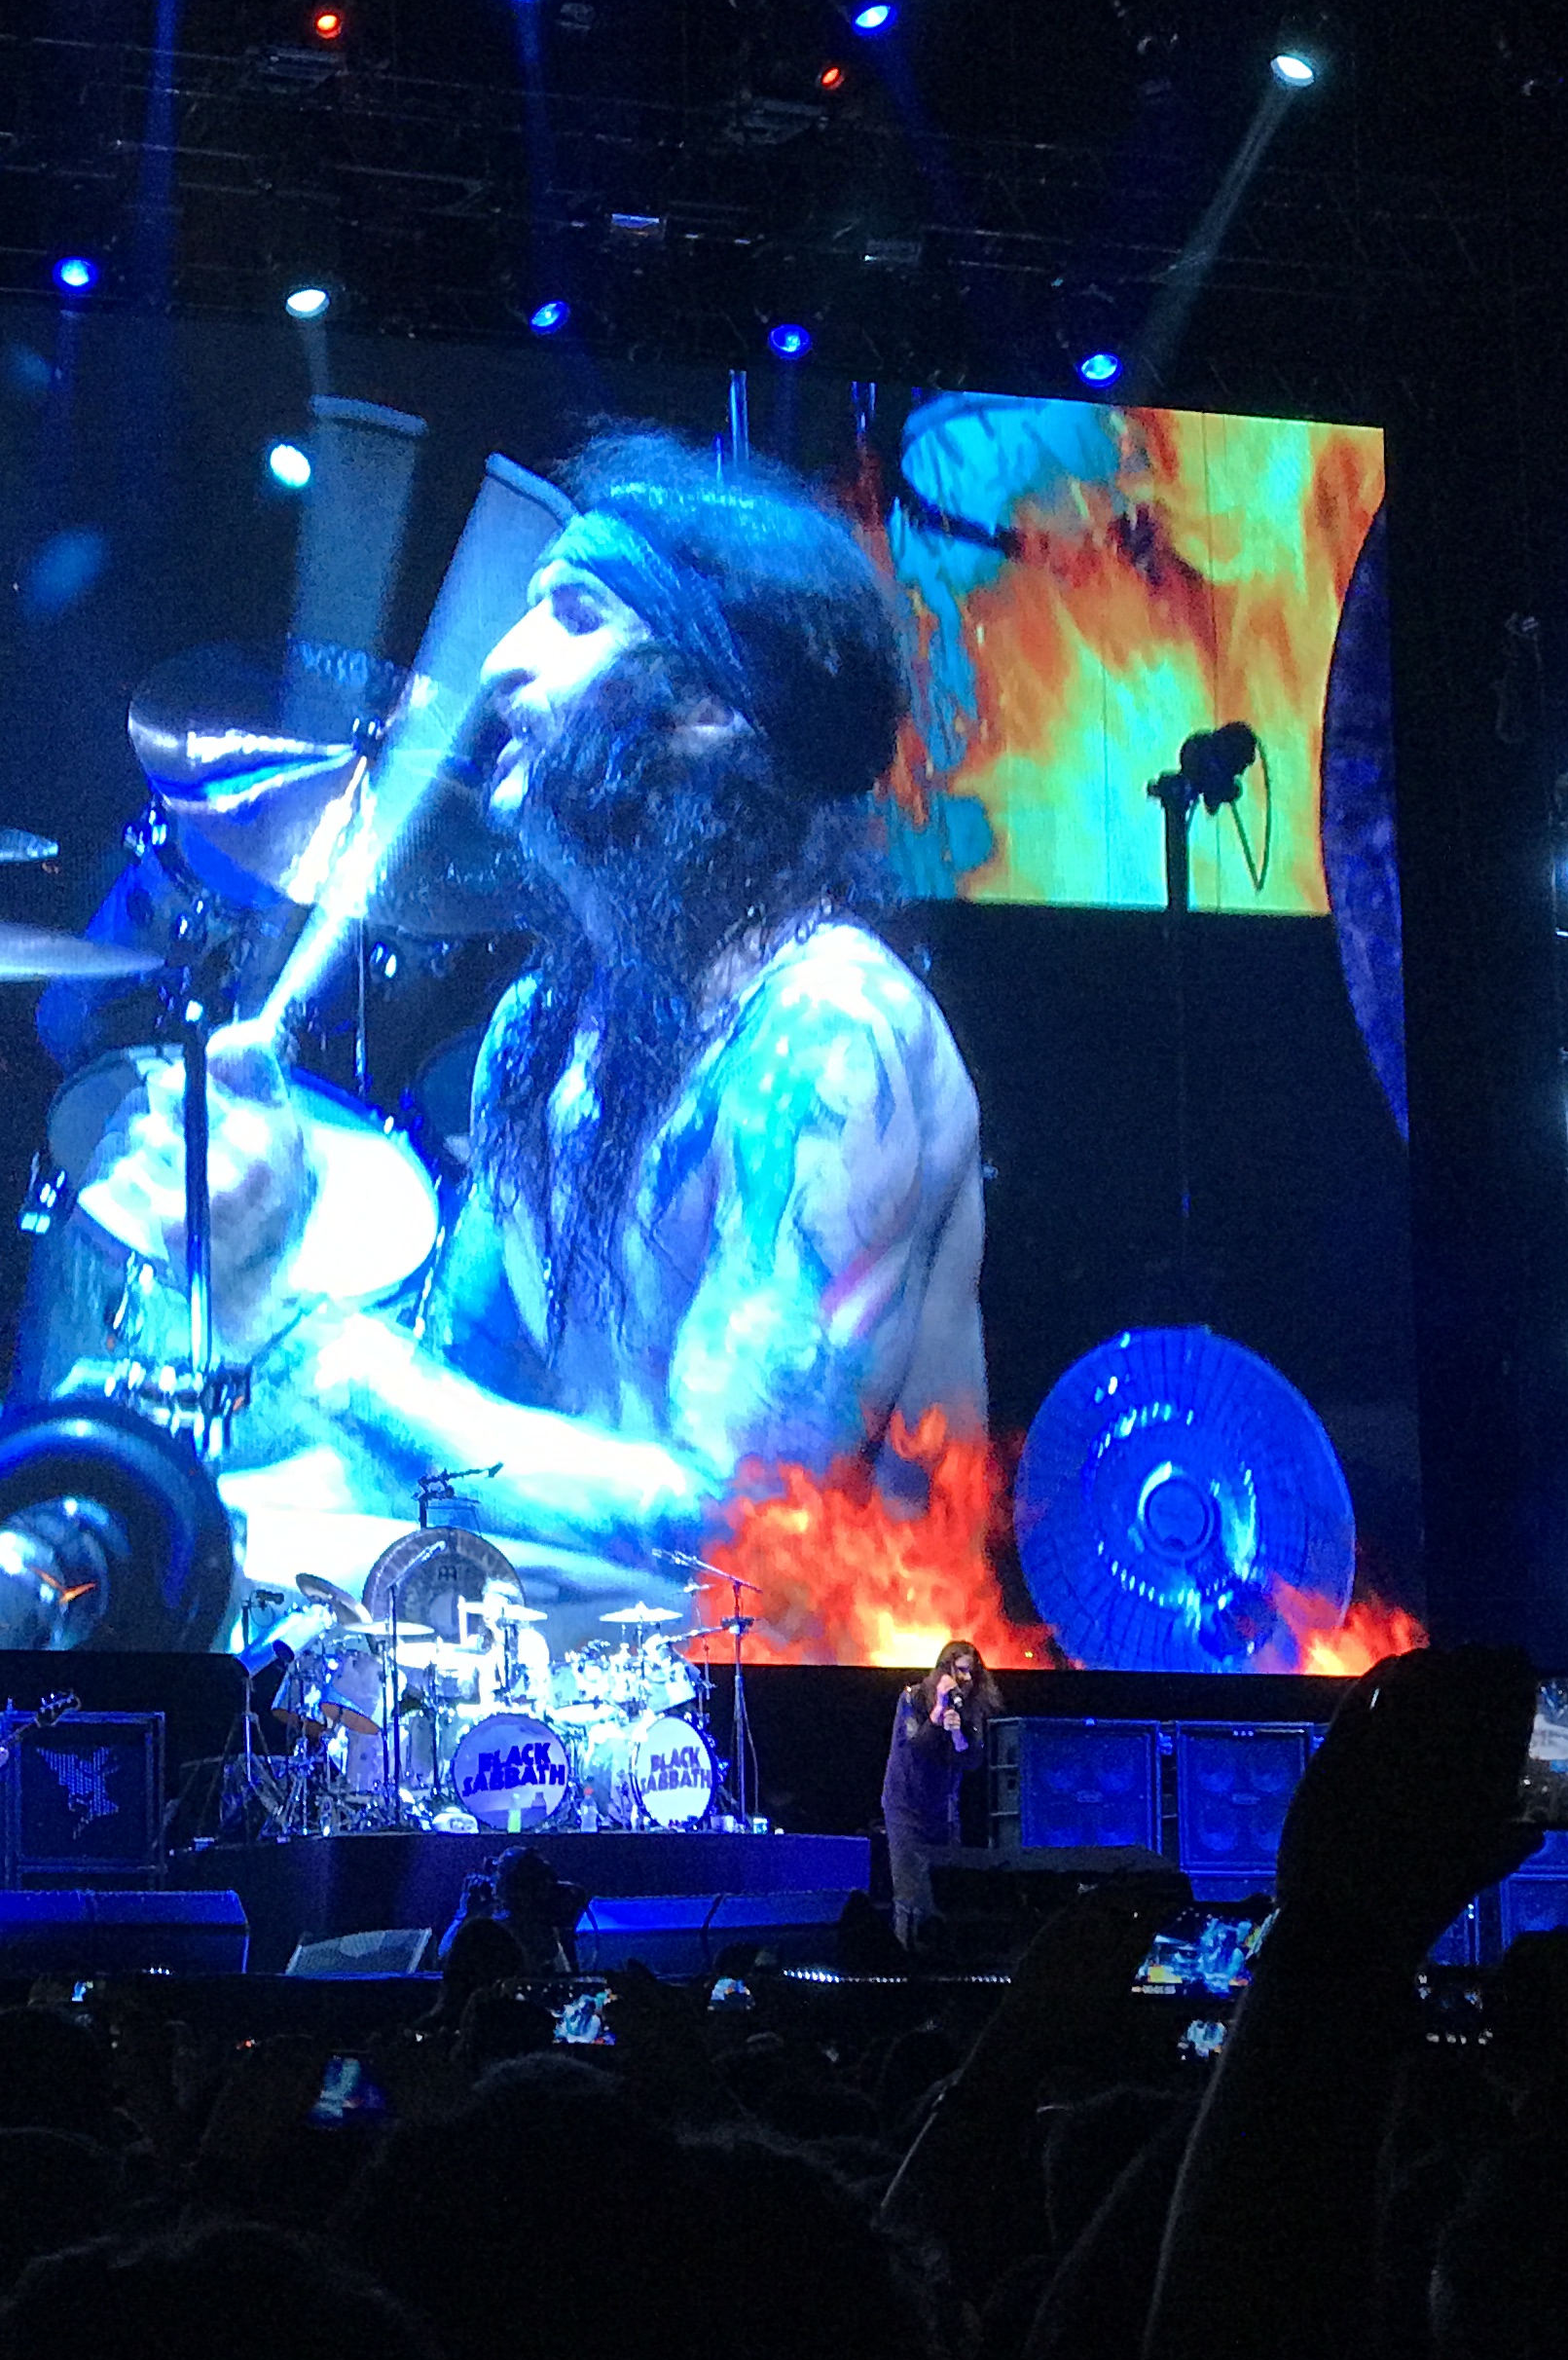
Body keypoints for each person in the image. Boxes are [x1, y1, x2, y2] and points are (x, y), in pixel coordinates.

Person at [90, 430, 987, 1590]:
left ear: (706, 708)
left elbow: (743, 1537)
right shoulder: (540, 1034)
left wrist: (305, 1332)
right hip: (586, 1678)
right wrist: (166, 1499)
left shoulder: (831, 1034)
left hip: (824, 1697)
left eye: (573, 617)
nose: (499, 666)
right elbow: (452, 1456)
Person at [881, 1639, 999, 1948]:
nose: (967, 1679)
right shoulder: (913, 1698)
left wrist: (957, 1732)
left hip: (943, 1809)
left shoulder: (970, 1708)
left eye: (972, 1672)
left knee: (945, 1888)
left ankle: (943, 1956)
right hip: (906, 1806)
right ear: (945, 1670)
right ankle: (905, 1955)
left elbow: (972, 1759)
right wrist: (937, 1714)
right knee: (910, 1891)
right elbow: (917, 1748)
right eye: (961, 1671)